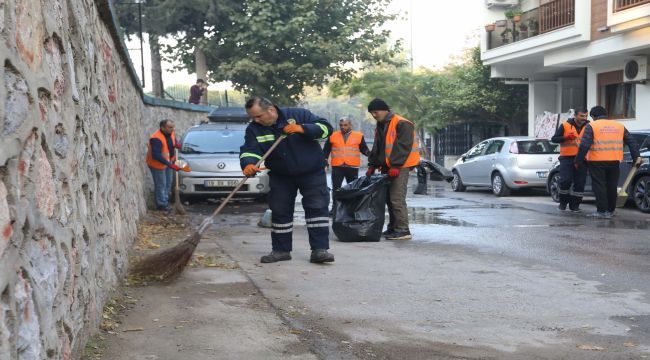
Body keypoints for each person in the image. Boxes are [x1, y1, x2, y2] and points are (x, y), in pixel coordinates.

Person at [240, 96, 335, 264]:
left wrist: (302, 129)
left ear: (270, 110)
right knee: (280, 211)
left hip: (312, 171)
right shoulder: (254, 129)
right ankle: (281, 250)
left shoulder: (298, 115)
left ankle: (320, 250)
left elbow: (326, 129)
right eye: (252, 117)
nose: (255, 120)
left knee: (317, 208)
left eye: (258, 116)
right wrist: (248, 164)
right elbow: (250, 150)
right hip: (281, 175)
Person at [366, 98, 420, 240]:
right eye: (372, 113)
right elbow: (378, 147)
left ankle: (403, 230)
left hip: (401, 166)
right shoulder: (381, 124)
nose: (374, 115)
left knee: (396, 198)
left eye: (375, 112)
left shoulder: (402, 123)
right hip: (388, 166)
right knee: (389, 199)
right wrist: (372, 164)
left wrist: (395, 165)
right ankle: (393, 228)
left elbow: (403, 146)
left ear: (385, 110)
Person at [574, 106, 642, 219]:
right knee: (611, 186)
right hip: (614, 160)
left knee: (599, 185)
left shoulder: (592, 126)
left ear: (594, 116)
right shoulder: (619, 126)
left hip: (596, 161)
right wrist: (636, 157)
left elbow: (584, 145)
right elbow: (632, 142)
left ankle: (601, 211)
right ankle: (611, 210)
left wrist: (578, 161)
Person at [323, 117, 370, 213]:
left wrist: (370, 154)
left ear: (350, 125)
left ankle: (351, 209)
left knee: (353, 188)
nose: (342, 127)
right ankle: (335, 208)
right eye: (341, 125)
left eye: (345, 125)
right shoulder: (333, 135)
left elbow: (364, 149)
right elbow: (326, 150)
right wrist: (324, 161)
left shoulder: (359, 136)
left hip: (352, 166)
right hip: (337, 166)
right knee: (336, 188)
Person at [551, 108, 590, 212]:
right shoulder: (565, 125)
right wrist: (566, 137)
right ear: (575, 115)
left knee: (580, 183)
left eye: (586, 116)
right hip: (567, 158)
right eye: (582, 116)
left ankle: (575, 205)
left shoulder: (589, 126)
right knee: (565, 181)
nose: (584, 118)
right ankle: (563, 203)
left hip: (582, 158)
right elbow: (554, 139)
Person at [146, 119, 183, 211]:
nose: (172, 129)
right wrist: (169, 164)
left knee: (168, 183)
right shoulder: (156, 138)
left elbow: (174, 140)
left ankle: (165, 202)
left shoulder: (171, 133)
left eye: (173, 127)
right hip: (157, 165)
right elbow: (156, 155)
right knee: (161, 184)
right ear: (162, 128)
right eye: (170, 127)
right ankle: (161, 205)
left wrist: (177, 144)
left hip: (168, 163)